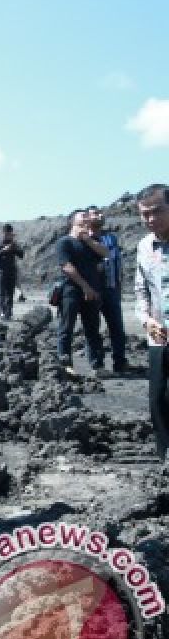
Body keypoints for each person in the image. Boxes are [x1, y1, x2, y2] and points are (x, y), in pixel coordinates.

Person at [134, 184, 169, 459]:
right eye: (144, 215)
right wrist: (146, 320)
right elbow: (141, 290)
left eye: (155, 212)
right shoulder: (144, 247)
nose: (150, 220)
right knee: (157, 399)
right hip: (159, 335)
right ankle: (164, 458)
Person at [56, 209, 106, 374]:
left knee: (93, 329)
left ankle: (97, 365)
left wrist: (88, 239)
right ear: (72, 221)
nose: (87, 217)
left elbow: (106, 253)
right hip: (71, 290)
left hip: (91, 292)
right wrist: (85, 286)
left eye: (87, 215)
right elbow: (67, 267)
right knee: (66, 328)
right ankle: (65, 364)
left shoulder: (90, 242)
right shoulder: (65, 242)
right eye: (83, 215)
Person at [87, 205, 129, 372]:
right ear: (87, 219)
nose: (100, 215)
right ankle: (97, 364)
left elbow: (117, 262)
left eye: (100, 212)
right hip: (93, 290)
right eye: (95, 213)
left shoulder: (111, 238)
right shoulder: (83, 240)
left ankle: (120, 362)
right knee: (93, 328)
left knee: (117, 327)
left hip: (111, 288)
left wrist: (119, 284)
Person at [0, 224, 24, 320]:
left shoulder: (13, 243)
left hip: (11, 271)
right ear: (3, 233)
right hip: (0, 271)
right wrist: (3, 250)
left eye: (10, 234)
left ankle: (8, 313)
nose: (8, 236)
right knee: (1, 293)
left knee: (10, 293)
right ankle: (1, 312)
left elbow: (21, 255)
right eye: (6, 234)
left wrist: (15, 248)